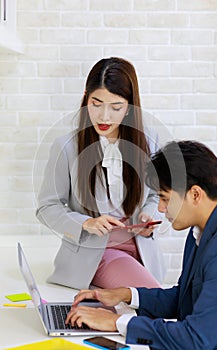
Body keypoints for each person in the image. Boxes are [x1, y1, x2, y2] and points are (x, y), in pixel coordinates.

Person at [65, 140, 217, 350]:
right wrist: (127, 295)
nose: (161, 208)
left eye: (165, 198)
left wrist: (115, 322)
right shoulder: (199, 232)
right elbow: (185, 297)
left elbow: (196, 339)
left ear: (195, 194)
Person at [36, 57, 165, 290]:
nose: (104, 117)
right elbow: (47, 208)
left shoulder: (149, 140)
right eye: (96, 103)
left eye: (116, 107)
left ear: (129, 107)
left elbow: (158, 194)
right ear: (86, 97)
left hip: (143, 252)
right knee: (152, 298)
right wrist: (86, 223)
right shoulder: (66, 147)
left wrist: (148, 213)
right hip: (96, 254)